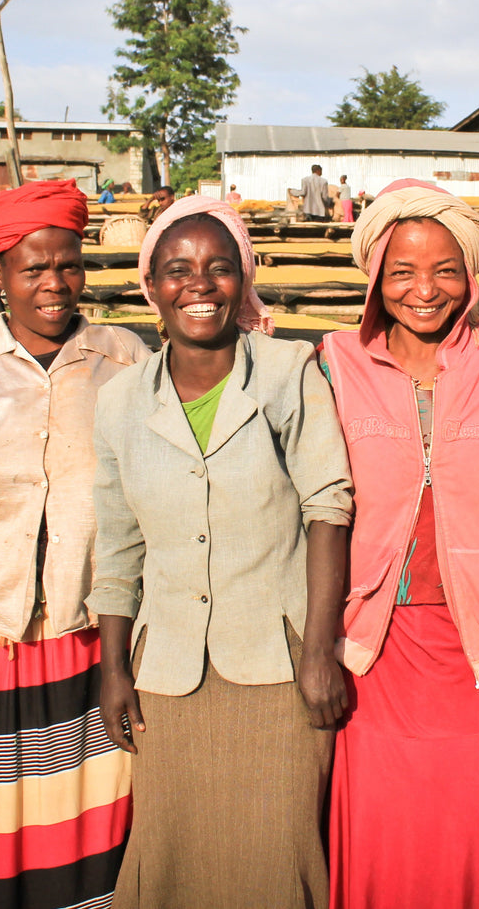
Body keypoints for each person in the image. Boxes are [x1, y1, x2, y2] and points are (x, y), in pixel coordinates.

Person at [88, 196, 353, 909]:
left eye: (218, 268)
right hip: (168, 675)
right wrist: (113, 670)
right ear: (152, 288)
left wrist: (320, 651)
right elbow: (117, 544)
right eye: (177, 270)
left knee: (277, 854)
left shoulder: (286, 371)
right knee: (172, 856)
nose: (198, 285)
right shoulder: (119, 402)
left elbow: (328, 506)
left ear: (244, 279)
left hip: (277, 664)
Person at [323, 180, 479, 909]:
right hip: (372, 647)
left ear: (471, 276)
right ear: (376, 276)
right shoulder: (332, 364)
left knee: (472, 822)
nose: (425, 289)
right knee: (383, 829)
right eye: (402, 271)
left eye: (446, 269)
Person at [0, 180, 149, 908]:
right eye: (32, 268)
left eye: (68, 264)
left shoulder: (124, 359)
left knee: (88, 822)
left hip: (90, 636)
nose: (54, 284)